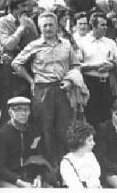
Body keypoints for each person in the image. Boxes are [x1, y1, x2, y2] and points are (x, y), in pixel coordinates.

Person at [11, 11, 80, 166]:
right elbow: (16, 63)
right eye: (45, 25)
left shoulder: (66, 45)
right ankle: (49, 168)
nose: (48, 28)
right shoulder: (34, 46)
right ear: (40, 28)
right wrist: (30, 80)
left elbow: (76, 65)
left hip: (63, 89)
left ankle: (67, 165)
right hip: (42, 91)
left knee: (65, 129)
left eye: (51, 25)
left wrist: (70, 80)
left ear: (57, 26)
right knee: (44, 130)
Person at [0, 0, 38, 123]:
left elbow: (35, 46)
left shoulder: (29, 22)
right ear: (14, 7)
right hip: (8, 71)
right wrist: (20, 29)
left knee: (26, 107)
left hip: (25, 69)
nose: (27, 9)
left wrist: (28, 27)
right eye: (23, 6)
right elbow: (8, 45)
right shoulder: (2, 22)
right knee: (9, 108)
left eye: (28, 5)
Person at [0, 96, 48, 187]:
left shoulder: (33, 131)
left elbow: (40, 157)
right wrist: (18, 181)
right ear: (10, 112)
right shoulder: (3, 134)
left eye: (26, 110)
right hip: (10, 179)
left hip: (31, 177)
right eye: (18, 110)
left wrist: (39, 177)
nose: (23, 113)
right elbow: (0, 167)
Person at [78, 13, 117, 127]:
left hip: (106, 84)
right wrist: (95, 66)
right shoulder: (82, 42)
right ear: (93, 26)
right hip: (90, 83)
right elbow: (77, 65)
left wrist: (111, 66)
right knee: (91, 116)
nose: (106, 27)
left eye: (106, 25)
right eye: (102, 25)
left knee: (106, 117)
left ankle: (105, 143)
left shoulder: (110, 42)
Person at [60, 121, 101, 188]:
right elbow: (74, 186)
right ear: (80, 141)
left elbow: (96, 176)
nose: (94, 143)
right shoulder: (66, 162)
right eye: (90, 140)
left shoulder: (91, 156)